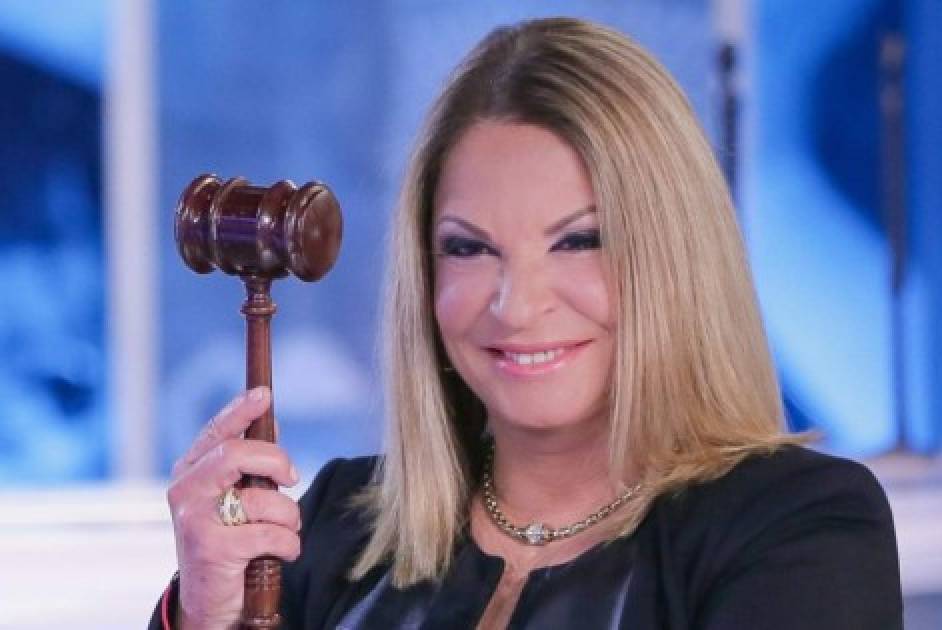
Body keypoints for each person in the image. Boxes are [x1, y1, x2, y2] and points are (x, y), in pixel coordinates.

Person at [151, 17, 902, 630]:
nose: (516, 305)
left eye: (577, 241)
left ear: (673, 254)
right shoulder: (338, 529)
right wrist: (202, 617)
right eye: (469, 249)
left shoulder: (798, 525)